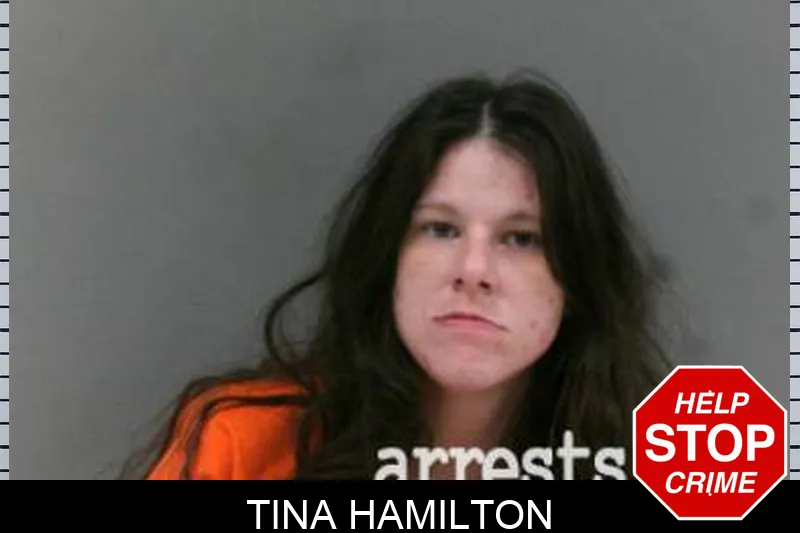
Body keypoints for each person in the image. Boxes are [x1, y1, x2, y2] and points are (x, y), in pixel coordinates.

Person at [121, 69, 672, 481]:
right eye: (441, 229)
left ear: (578, 280)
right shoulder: (242, 444)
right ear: (388, 257)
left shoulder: (665, 468)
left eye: (521, 239)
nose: (474, 271)